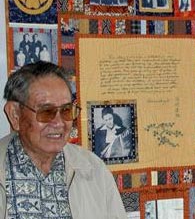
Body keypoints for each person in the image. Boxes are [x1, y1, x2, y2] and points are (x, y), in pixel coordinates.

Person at [0, 61, 127, 218]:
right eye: (46, 111)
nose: (59, 123)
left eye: (66, 110)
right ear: (15, 115)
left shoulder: (94, 170)